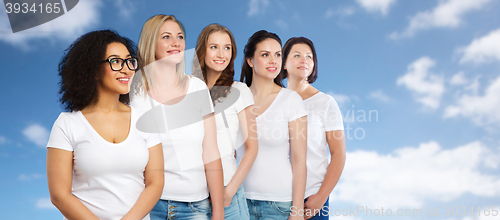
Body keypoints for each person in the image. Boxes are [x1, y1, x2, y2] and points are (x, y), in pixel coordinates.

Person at [46, 30, 164, 220]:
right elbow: (59, 195)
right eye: (116, 61)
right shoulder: (67, 124)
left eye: (129, 61)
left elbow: (155, 183)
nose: (126, 69)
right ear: (92, 70)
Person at [130, 15, 224, 220]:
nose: (176, 42)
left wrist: (218, 211)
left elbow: (211, 151)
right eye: (166, 37)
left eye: (180, 36)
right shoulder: (133, 93)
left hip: (194, 207)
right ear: (150, 43)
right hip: (144, 205)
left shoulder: (197, 88)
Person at [238, 30, 307, 220]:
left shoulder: (291, 100)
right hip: (238, 202)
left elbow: (299, 160)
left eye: (278, 55)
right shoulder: (235, 97)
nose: (273, 61)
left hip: (278, 206)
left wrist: (297, 210)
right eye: (265, 55)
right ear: (250, 60)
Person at [193, 23, 258, 220]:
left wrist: (229, 191)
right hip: (193, 192)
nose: (222, 54)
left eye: (227, 48)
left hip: (226, 190)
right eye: (214, 47)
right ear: (202, 50)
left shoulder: (239, 90)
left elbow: (252, 147)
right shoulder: (189, 88)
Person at [280, 37, 346, 219]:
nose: (304, 60)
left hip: (312, 199)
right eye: (297, 55)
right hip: (275, 199)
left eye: (309, 56)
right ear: (283, 63)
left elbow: (338, 154)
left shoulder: (325, 103)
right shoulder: (274, 101)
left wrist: (321, 198)